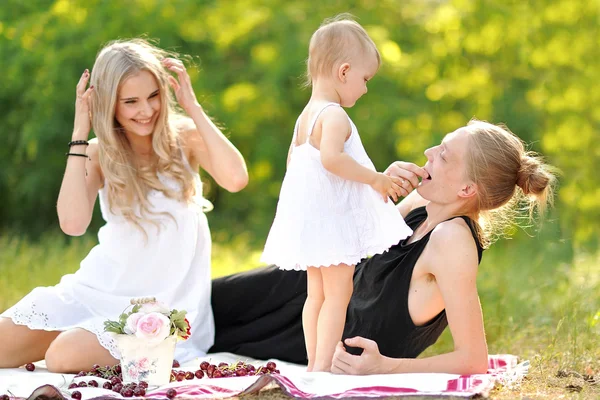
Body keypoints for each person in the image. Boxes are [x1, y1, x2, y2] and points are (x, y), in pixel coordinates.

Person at [210, 119, 555, 375]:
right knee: (206, 300)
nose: (428, 154)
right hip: (318, 289)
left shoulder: (453, 242)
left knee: (208, 329)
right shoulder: (424, 201)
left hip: (323, 335)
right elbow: (355, 231)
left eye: (444, 156)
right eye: (439, 146)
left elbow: (473, 360)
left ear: (467, 189)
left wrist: (384, 367)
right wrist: (377, 187)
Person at [0, 39, 248, 372]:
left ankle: (98, 342)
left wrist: (193, 107)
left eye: (153, 96)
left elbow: (236, 179)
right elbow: (72, 223)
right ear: (107, 104)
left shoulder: (185, 138)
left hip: (160, 308)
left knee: (62, 356)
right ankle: (82, 333)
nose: (146, 111)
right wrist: (80, 130)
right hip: (96, 288)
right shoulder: (97, 152)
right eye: (130, 102)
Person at [259, 16, 413, 372]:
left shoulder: (305, 118)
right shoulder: (335, 117)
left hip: (312, 223)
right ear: (344, 72)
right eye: (365, 79)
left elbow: (295, 167)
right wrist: (375, 179)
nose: (365, 88)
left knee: (316, 295)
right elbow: (331, 159)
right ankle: (321, 366)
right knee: (339, 294)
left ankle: (314, 360)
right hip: (331, 225)